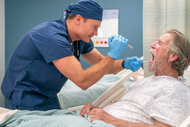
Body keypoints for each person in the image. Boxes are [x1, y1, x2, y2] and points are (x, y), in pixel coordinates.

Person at [1, 0, 142, 111]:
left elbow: (102, 64)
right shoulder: (52, 37)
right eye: (94, 27)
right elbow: (82, 81)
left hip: (48, 93)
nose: (96, 33)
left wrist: (124, 63)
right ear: (78, 19)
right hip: (26, 95)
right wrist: (112, 56)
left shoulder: (80, 39)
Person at [80, 29, 190, 127]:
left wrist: (110, 120)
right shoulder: (145, 82)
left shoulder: (175, 90)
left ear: (173, 56)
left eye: (159, 43)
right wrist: (95, 110)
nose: (152, 44)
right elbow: (126, 109)